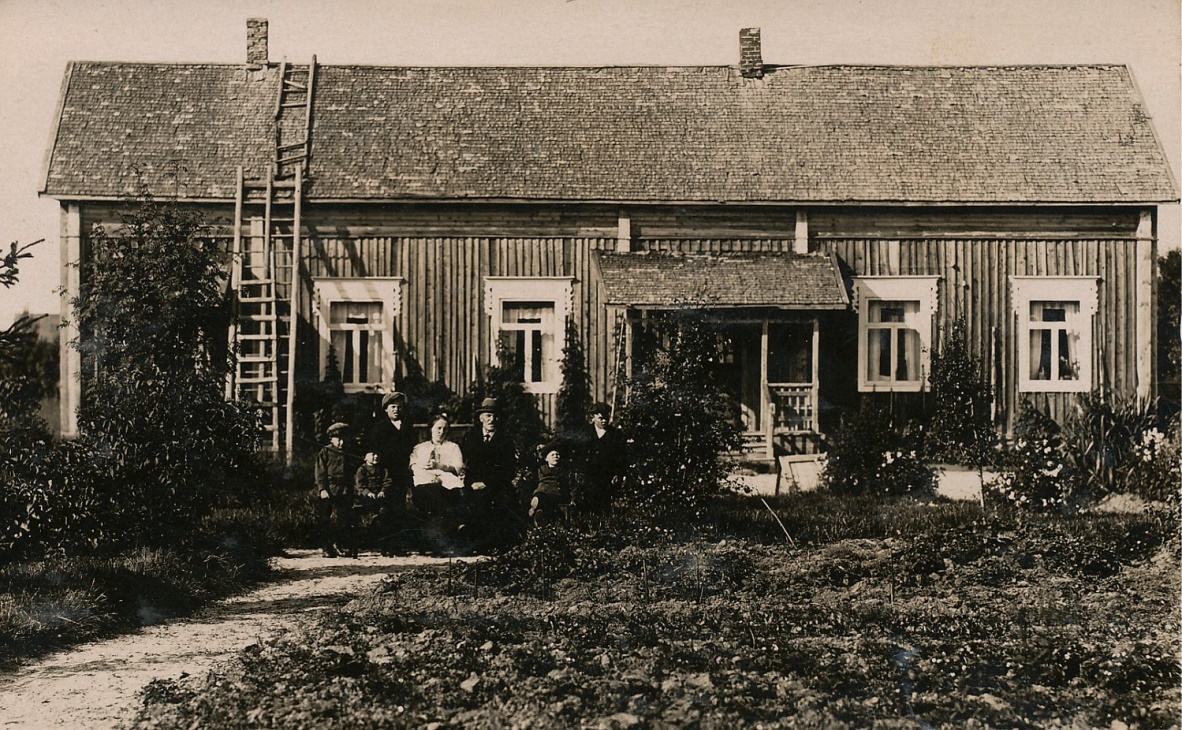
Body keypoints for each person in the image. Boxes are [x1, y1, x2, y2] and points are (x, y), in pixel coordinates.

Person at [460, 397, 519, 549]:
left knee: (503, 503)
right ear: (481, 418)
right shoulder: (471, 437)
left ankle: (498, 544)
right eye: (488, 415)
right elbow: (463, 463)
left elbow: (509, 471)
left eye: (494, 416)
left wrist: (487, 483)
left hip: (497, 485)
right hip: (473, 484)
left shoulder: (505, 440)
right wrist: (471, 483)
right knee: (470, 504)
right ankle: (473, 544)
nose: (491, 419)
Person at [364, 391, 417, 554]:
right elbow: (373, 451)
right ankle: (385, 545)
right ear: (386, 409)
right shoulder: (379, 428)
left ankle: (398, 545)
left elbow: (413, 449)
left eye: (399, 407)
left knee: (400, 508)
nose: (396, 410)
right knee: (386, 509)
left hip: (402, 474)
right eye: (393, 407)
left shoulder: (408, 427)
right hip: (385, 475)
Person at [410, 413, 465, 546]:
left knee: (445, 495)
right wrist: (431, 477)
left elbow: (457, 468)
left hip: (448, 485)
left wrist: (440, 467)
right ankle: (454, 523)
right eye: (438, 428)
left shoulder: (453, 447)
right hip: (425, 484)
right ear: (431, 429)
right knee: (434, 493)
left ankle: (438, 541)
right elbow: (415, 468)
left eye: (445, 429)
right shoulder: (420, 448)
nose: (441, 432)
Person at [315, 422, 357, 558]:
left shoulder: (350, 452)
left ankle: (340, 545)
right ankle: (326, 547)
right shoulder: (325, 451)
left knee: (343, 518)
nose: (341, 442)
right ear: (331, 439)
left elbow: (355, 471)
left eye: (344, 439)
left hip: (345, 489)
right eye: (338, 439)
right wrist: (322, 489)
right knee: (324, 518)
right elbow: (320, 472)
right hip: (329, 488)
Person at [578, 402, 626, 515]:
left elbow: (621, 456)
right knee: (587, 503)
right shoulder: (585, 432)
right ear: (593, 417)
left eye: (606, 418)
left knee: (605, 504)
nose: (604, 421)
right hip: (588, 474)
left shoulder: (615, 434)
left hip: (607, 475)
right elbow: (579, 453)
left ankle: (604, 526)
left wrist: (618, 473)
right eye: (601, 418)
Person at [529, 441, 571, 527]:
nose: (555, 456)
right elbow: (531, 458)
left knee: (548, 502)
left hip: (555, 493)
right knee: (540, 495)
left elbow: (571, 484)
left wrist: (573, 498)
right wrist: (539, 448)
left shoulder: (563, 470)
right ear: (546, 459)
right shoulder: (540, 469)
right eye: (552, 455)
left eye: (557, 455)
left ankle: (537, 513)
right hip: (542, 490)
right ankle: (535, 505)